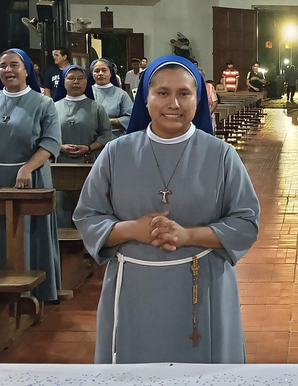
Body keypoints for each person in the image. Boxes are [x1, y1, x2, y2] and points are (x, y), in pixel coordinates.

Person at [74, 55, 260, 364]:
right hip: (134, 287)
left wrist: (188, 235)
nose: (173, 103)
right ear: (144, 98)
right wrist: (133, 230)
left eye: (184, 94)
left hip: (202, 287)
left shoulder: (221, 155)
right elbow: (87, 216)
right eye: (162, 93)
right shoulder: (116, 153)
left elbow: (246, 223)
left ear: (198, 100)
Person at [0, 49, 62, 302]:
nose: (8, 70)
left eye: (14, 65)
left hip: (29, 179)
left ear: (27, 70)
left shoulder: (43, 103)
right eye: (2, 66)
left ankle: (34, 291)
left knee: (28, 236)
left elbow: (51, 142)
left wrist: (28, 167)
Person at [53, 65, 111, 229]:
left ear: (87, 82)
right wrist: (60, 147)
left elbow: (106, 135)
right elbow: (44, 135)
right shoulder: (53, 107)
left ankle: (88, 245)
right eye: (71, 78)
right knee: (61, 204)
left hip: (88, 163)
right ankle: (62, 245)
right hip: (60, 164)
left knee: (88, 203)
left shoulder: (96, 108)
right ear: (63, 82)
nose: (76, 82)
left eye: (80, 78)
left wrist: (88, 148)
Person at [90, 58, 133, 142]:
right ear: (91, 73)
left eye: (104, 70)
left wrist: (110, 121)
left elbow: (131, 118)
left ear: (111, 73)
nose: (100, 74)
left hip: (114, 139)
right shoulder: (86, 92)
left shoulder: (121, 94)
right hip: (90, 139)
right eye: (97, 71)